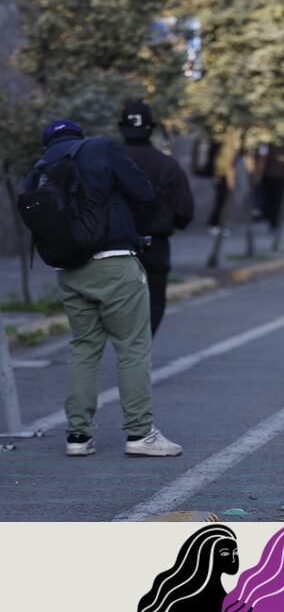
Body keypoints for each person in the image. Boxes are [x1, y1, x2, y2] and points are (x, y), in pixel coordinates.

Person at [25, 120, 182, 457]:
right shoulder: (102, 149)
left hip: (69, 270)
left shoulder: (40, 168)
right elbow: (143, 192)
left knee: (83, 349)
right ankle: (140, 433)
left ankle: (78, 436)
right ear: (79, 137)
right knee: (132, 349)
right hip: (115, 263)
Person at [118, 101, 194, 337]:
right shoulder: (167, 164)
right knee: (154, 302)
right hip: (155, 245)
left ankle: (127, 354)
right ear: (151, 128)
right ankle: (138, 352)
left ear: (121, 128)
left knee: (116, 305)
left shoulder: (107, 162)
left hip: (113, 245)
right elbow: (185, 211)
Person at [130, 525, 239, 612]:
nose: (234, 559)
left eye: (236, 552)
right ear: (204, 556)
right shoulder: (180, 605)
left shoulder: (232, 604)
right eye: (225, 553)